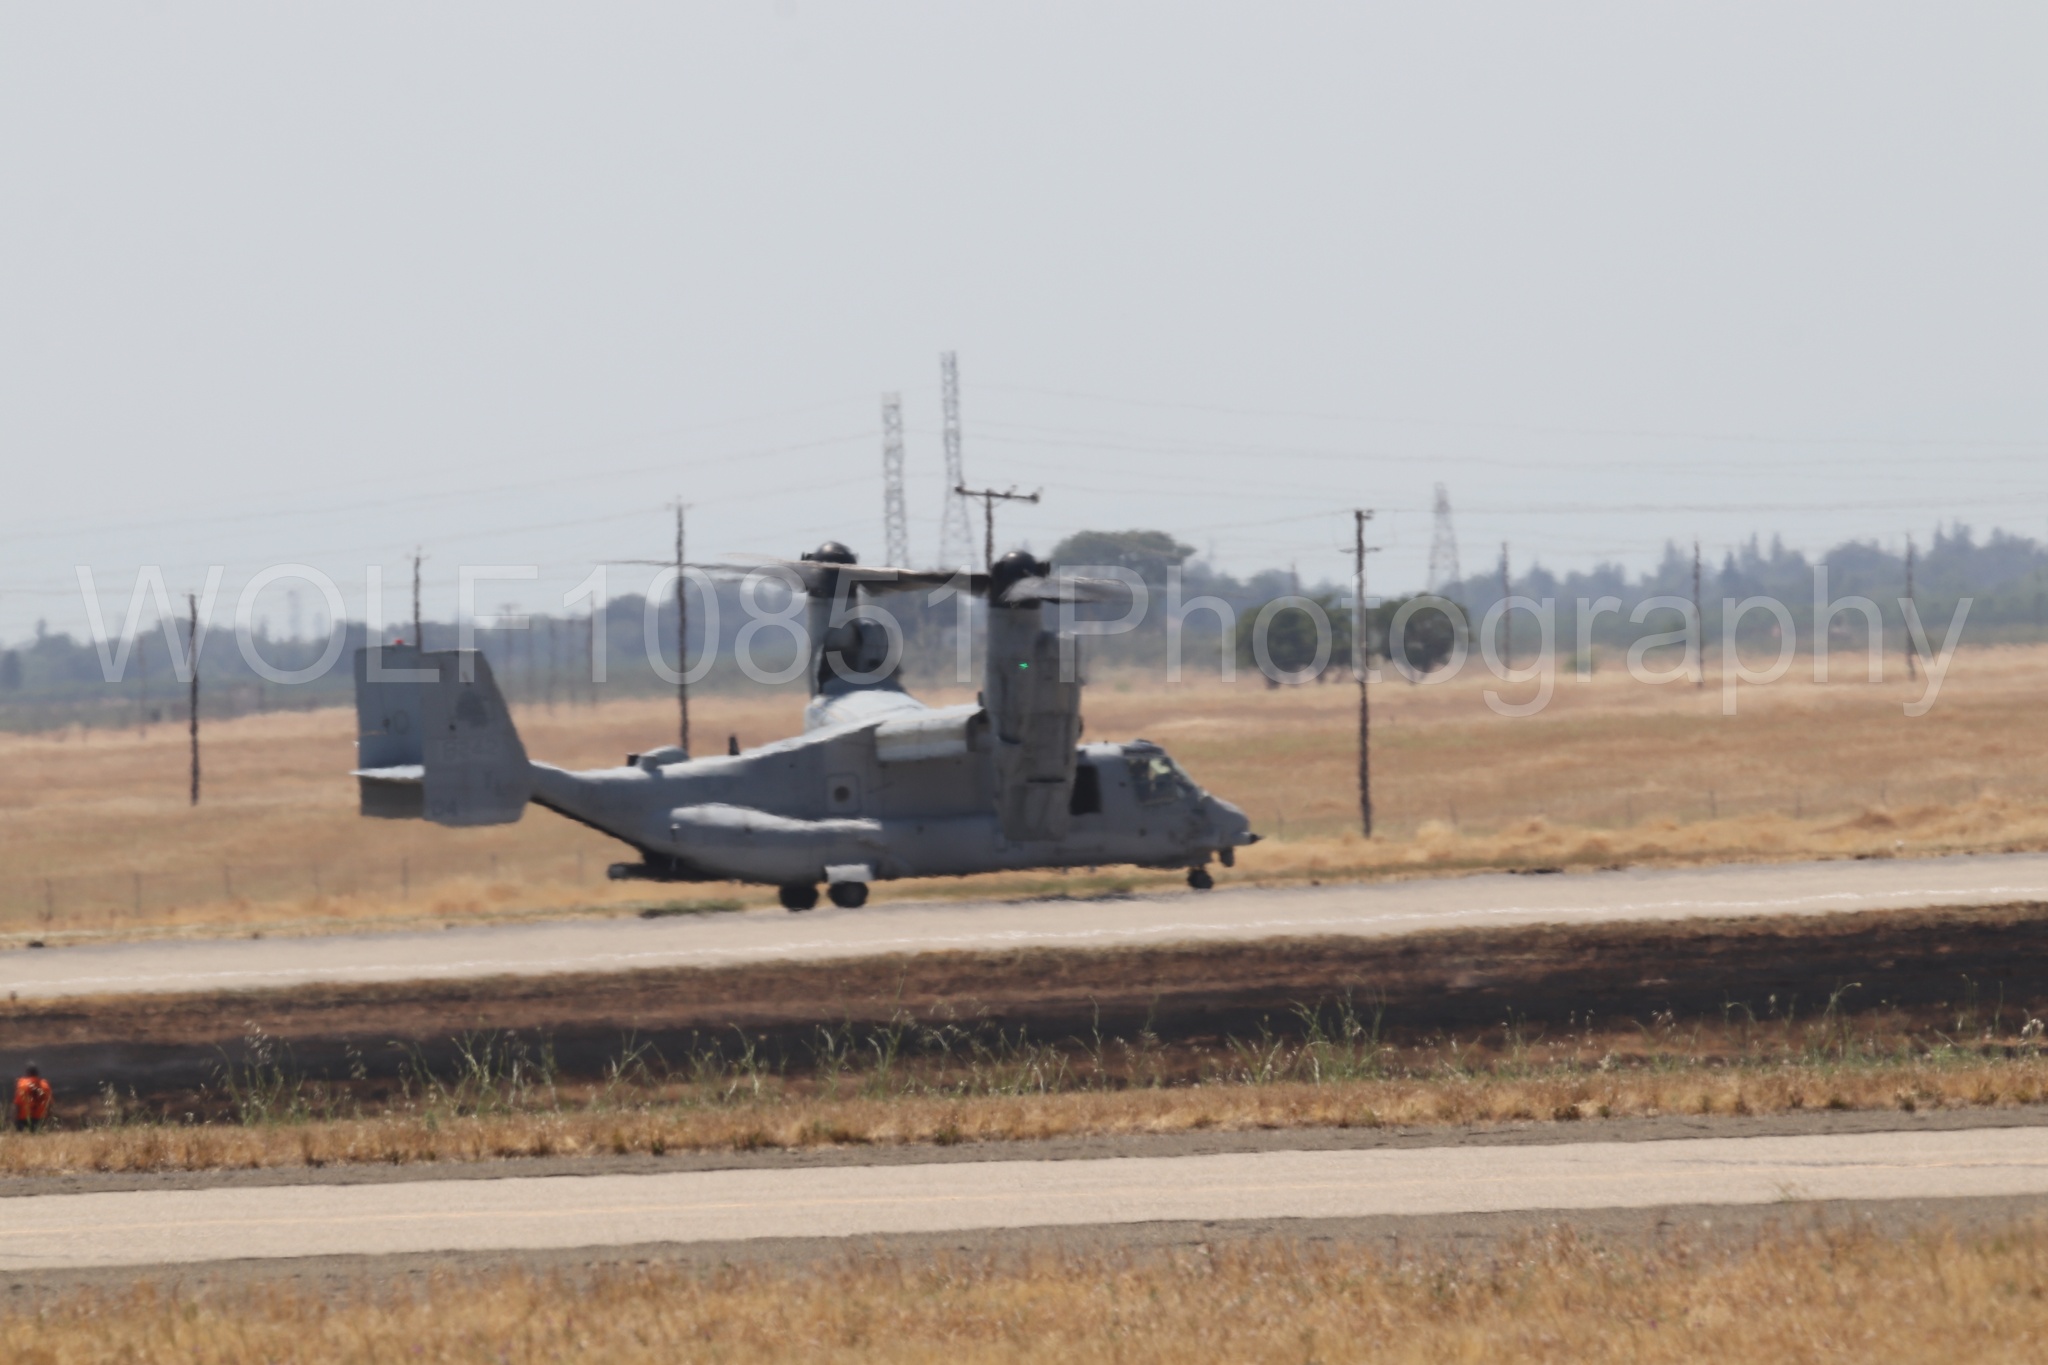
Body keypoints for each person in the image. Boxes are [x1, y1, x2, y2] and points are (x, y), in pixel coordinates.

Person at [13, 1065, 51, 1134]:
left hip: (24, 1118)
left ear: (27, 1074)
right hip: (40, 1118)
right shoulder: (45, 1085)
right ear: (37, 1074)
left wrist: (14, 1118)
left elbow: (17, 1104)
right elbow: (49, 1104)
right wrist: (48, 1117)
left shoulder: (22, 1085)